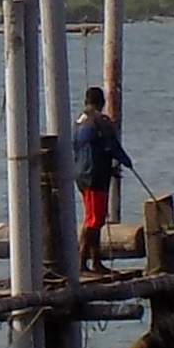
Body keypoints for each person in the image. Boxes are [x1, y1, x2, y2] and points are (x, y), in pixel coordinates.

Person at [69, 84, 129, 276]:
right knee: (94, 220)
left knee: (94, 218)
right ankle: (85, 262)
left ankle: (93, 262)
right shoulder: (100, 121)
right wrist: (126, 162)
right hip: (95, 177)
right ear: (101, 102)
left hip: (81, 175)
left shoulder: (79, 121)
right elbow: (112, 147)